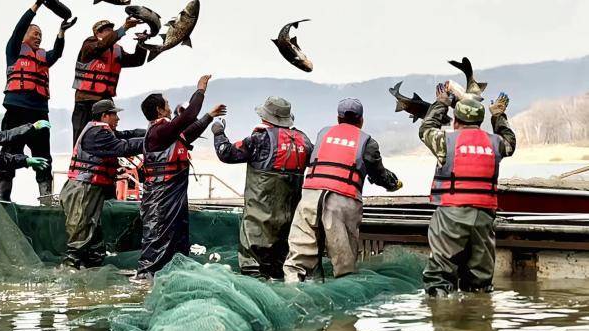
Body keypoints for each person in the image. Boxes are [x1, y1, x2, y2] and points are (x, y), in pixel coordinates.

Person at [283, 98, 402, 282]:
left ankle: (293, 288)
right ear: (361, 120)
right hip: (342, 199)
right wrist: (393, 184)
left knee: (299, 254)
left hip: (310, 196)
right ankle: (344, 297)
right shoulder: (367, 142)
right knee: (343, 260)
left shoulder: (323, 133)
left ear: (338, 118)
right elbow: (378, 175)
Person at [419, 86, 515, 296]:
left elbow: (426, 129)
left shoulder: (445, 141)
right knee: (480, 279)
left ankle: (442, 314)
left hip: (451, 214)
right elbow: (510, 142)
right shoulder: (496, 143)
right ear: (480, 122)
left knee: (440, 276)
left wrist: (442, 102)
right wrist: (498, 115)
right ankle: (479, 317)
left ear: (455, 121)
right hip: (484, 216)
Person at [136, 75, 226, 280]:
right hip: (161, 198)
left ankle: (169, 275)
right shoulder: (159, 131)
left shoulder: (165, 132)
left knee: (176, 237)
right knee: (159, 238)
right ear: (159, 110)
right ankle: (146, 277)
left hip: (172, 195)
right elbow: (187, 118)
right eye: (166, 104)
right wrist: (200, 90)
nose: (169, 106)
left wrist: (209, 116)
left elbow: (189, 133)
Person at [212, 96, 313, 279]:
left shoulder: (260, 139)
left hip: (259, 222)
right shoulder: (303, 141)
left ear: (266, 117)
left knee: (253, 269)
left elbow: (226, 153)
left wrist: (218, 132)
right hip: (288, 222)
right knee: (281, 269)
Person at [0, 0, 76, 202]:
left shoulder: (43, 58)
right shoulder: (14, 50)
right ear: (24, 36)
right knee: (10, 154)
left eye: (41, 34)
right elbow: (20, 27)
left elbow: (57, 53)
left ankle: (46, 198)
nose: (39, 36)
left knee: (43, 157)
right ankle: (4, 198)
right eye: (35, 33)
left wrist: (61, 32)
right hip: (16, 112)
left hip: (40, 115)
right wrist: (37, 5)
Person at [61, 99, 146, 268]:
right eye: (115, 114)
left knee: (93, 238)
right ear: (105, 116)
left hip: (90, 188)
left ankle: (91, 267)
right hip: (83, 189)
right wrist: (153, 142)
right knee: (80, 232)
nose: (118, 119)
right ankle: (68, 272)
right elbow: (122, 147)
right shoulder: (97, 133)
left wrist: (155, 132)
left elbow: (128, 134)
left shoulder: (101, 131)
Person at [71, 17, 145, 145]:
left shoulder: (117, 50)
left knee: (110, 134)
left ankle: (109, 161)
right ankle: (78, 161)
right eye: (105, 30)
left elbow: (137, 61)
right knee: (81, 137)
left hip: (105, 101)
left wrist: (142, 43)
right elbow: (102, 45)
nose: (110, 31)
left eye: (111, 29)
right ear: (97, 33)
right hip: (85, 101)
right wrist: (124, 28)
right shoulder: (89, 45)